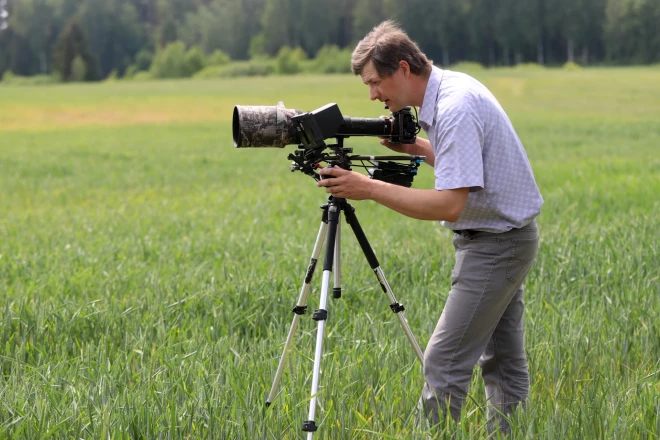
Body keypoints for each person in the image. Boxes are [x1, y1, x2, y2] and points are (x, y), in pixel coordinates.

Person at [316, 20, 543, 434]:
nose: (372, 95)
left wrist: (367, 188)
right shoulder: (453, 88)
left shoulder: (455, 107)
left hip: (496, 245)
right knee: (504, 361)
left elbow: (450, 204)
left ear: (403, 69)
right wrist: (416, 149)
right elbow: (469, 167)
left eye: (374, 82)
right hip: (507, 238)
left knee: (444, 361)